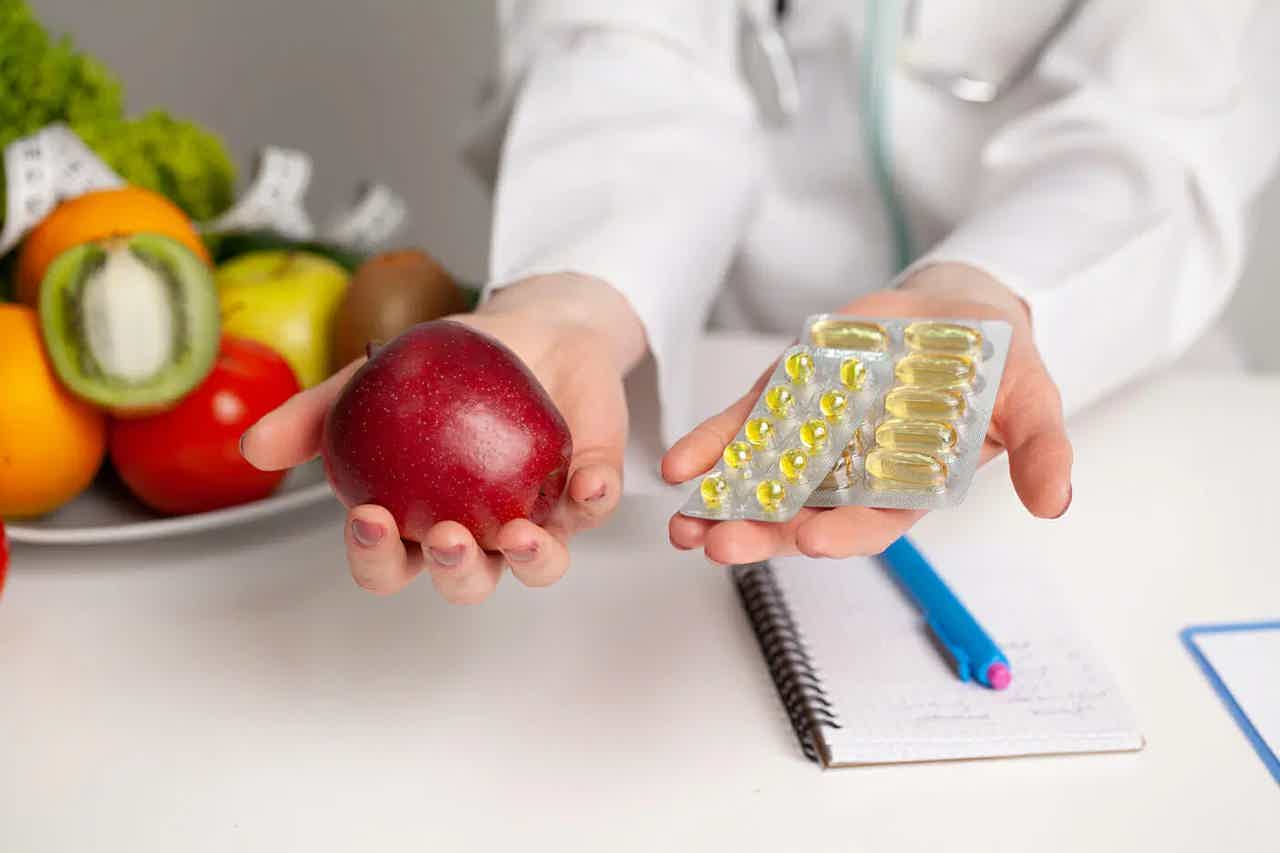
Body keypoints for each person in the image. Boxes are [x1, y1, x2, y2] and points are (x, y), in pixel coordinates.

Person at [241, 0, 1280, 603]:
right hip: (730, 424)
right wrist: (578, 292)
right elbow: (622, 40)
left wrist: (984, 291)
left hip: (1114, 391)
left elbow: (1154, 129)